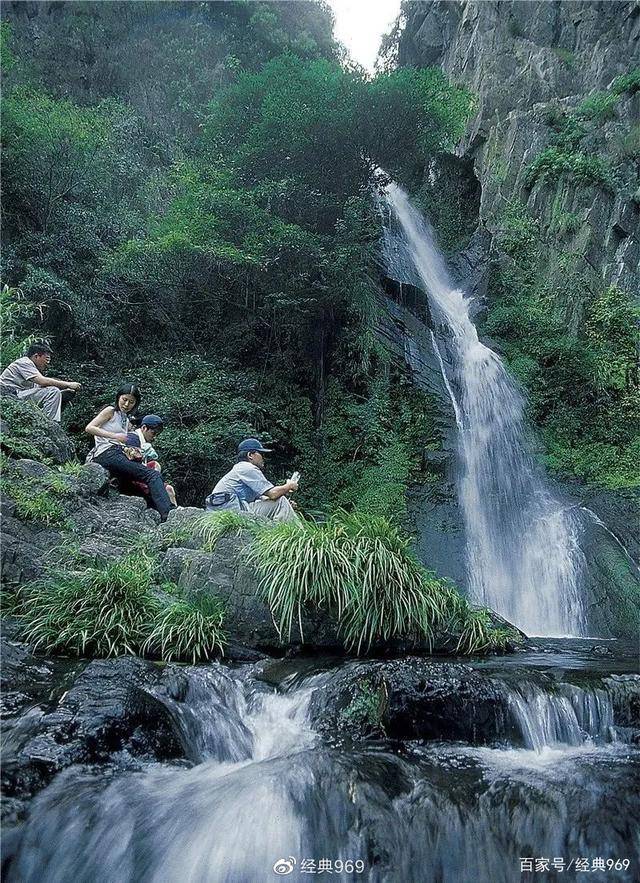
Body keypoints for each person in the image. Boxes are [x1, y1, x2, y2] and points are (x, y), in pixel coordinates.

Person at [85, 385, 176, 522]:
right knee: (152, 474)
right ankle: (169, 514)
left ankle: (161, 517)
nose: (126, 404)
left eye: (131, 402)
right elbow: (89, 428)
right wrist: (114, 436)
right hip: (105, 453)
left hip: (116, 454)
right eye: (124, 399)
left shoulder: (125, 419)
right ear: (118, 398)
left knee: (137, 484)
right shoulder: (110, 411)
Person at [206, 438, 299, 523]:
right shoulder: (247, 468)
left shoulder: (240, 469)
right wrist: (289, 486)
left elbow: (264, 498)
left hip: (225, 513)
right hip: (231, 514)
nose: (263, 457)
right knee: (281, 502)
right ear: (250, 455)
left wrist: (288, 505)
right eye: (261, 453)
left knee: (281, 502)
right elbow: (273, 494)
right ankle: (299, 536)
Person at [0, 342, 81, 422]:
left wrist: (63, 390)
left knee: (55, 392)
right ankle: (49, 425)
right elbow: (43, 381)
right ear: (36, 356)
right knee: (53, 392)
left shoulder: (32, 370)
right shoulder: (24, 362)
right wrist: (69, 384)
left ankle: (46, 423)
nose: (48, 362)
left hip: (17, 395)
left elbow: (40, 388)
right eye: (47, 358)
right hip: (8, 396)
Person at [126, 414, 177, 507]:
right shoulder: (132, 439)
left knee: (156, 465)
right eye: (153, 433)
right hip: (131, 479)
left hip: (140, 475)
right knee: (169, 490)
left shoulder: (141, 440)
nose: (155, 437)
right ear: (144, 428)